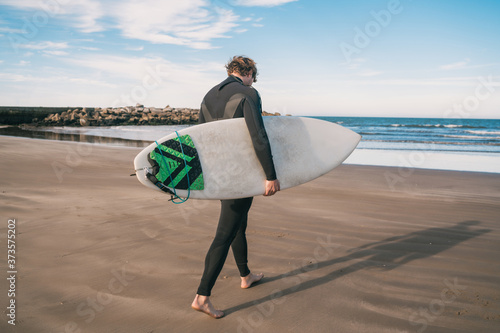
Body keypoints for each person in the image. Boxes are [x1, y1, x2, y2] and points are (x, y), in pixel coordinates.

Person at [191, 56, 280, 318]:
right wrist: (270, 174)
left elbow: (200, 138)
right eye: (254, 76)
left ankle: (246, 275)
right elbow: (258, 135)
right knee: (225, 233)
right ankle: (202, 296)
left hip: (219, 173)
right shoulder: (248, 93)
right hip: (240, 173)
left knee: (238, 221)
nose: (254, 80)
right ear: (249, 72)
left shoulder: (208, 96)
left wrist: (206, 177)